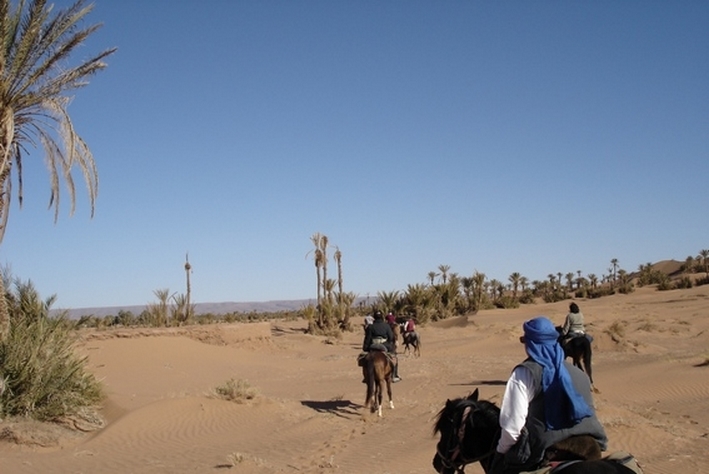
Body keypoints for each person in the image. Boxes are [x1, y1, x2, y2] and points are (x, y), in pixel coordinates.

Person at [490, 316, 607, 474]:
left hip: (548, 451)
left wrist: (500, 451)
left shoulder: (524, 373)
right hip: (590, 449)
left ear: (530, 343)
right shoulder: (579, 373)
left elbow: (513, 427)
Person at [362, 310, 402, 382]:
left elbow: (367, 338)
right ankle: (394, 375)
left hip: (373, 345)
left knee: (364, 359)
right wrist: (391, 343)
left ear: (374, 318)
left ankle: (366, 376)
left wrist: (365, 347)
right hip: (385, 345)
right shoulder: (386, 326)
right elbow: (391, 337)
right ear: (382, 317)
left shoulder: (370, 327)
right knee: (394, 357)